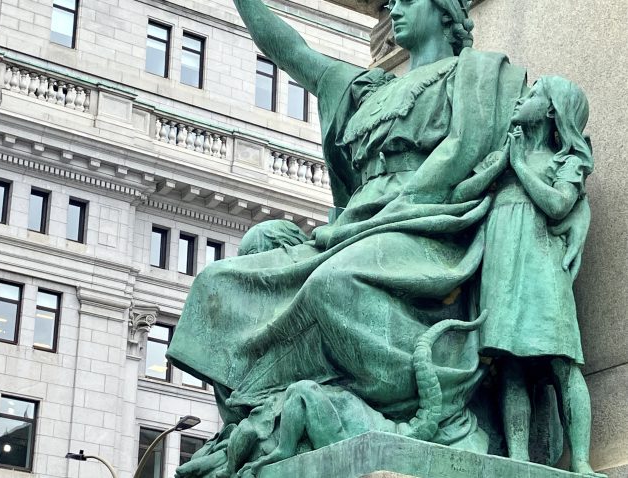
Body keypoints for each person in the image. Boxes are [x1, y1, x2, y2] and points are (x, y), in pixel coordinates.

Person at [165, 0, 591, 476]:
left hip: (431, 224)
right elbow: (292, 51)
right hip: (354, 226)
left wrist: (393, 209)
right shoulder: (367, 89)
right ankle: (262, 416)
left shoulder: (479, 73)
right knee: (217, 284)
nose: (394, 9)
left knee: (333, 284)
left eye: (407, 0)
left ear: (445, 11)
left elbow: (490, 150)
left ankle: (400, 407)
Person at [478, 76, 602, 476]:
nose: (522, 98)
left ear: (551, 110)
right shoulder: (504, 152)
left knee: (564, 361)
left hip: (543, 261)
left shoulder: (565, 161)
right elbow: (467, 191)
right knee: (510, 365)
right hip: (502, 264)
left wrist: (518, 167)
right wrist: (503, 162)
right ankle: (518, 458)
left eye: (533, 94)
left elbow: (559, 204)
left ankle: (581, 460)